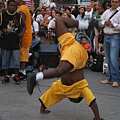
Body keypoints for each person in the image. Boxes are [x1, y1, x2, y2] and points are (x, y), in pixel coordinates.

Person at [26, 17, 103, 120]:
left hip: (69, 44)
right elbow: (92, 102)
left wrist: (42, 109)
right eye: (72, 99)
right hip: (75, 50)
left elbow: (48, 98)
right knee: (59, 71)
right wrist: (97, 118)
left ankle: (84, 24)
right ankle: (36, 76)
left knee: (59, 21)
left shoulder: (59, 88)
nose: (69, 97)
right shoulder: (81, 88)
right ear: (76, 97)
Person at [0, 0, 25, 84]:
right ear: (8, 6)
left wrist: (22, 32)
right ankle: (6, 76)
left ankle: (16, 75)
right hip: (5, 41)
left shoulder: (18, 16)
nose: (13, 7)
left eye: (14, 6)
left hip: (15, 41)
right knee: (5, 60)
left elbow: (24, 26)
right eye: (11, 5)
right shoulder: (2, 15)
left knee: (16, 59)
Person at [100, 0, 120, 87]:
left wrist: (112, 24)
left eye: (116, 2)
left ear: (119, 3)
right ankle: (110, 78)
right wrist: (104, 23)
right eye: (112, 1)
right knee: (108, 58)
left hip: (115, 36)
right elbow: (100, 20)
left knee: (113, 58)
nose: (114, 3)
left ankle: (116, 79)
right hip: (106, 35)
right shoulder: (107, 12)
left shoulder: (119, 12)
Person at [16, 0, 32, 80]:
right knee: (24, 55)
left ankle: (22, 71)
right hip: (27, 34)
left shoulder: (22, 9)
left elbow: (21, 23)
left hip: (24, 35)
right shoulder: (25, 7)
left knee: (22, 56)